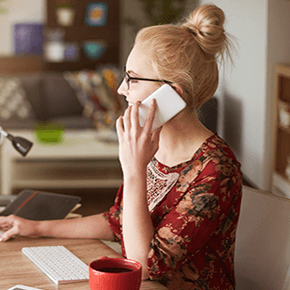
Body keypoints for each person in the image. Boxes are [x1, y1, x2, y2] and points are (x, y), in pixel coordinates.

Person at [0, 4, 242, 290]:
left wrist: (134, 171)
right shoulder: (152, 144)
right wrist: (36, 228)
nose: (121, 89)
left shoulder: (217, 169)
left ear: (172, 95)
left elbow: (144, 265)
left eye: (133, 78)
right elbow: (118, 221)